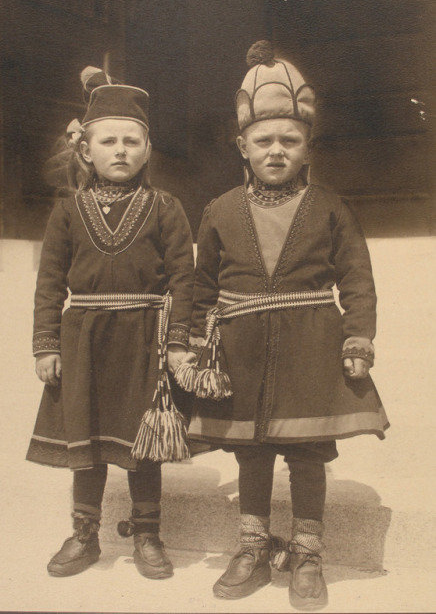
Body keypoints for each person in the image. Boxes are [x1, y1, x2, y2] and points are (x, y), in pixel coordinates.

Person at [176, 41, 389, 610]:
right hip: (241, 352)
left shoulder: (331, 207)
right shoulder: (220, 210)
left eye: (289, 141)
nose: (276, 151)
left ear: (306, 147)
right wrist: (195, 342)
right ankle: (251, 544)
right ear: (242, 146)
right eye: (263, 141)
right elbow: (201, 285)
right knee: (251, 451)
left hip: (311, 347)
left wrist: (357, 337)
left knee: (307, 451)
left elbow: (358, 280)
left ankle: (307, 550)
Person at [26, 66, 194, 580]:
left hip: (146, 336)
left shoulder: (165, 207)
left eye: (131, 140)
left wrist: (177, 342)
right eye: (108, 140)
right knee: (87, 439)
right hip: (85, 339)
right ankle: (85, 535)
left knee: (144, 443)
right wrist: (46, 344)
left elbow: (184, 280)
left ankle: (147, 534)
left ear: (147, 150)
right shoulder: (67, 211)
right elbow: (50, 283)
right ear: (86, 150)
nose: (120, 150)